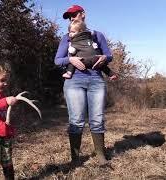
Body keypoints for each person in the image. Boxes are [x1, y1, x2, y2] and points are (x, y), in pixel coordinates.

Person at [55, 5, 112, 166]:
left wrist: (104, 58)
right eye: (69, 17)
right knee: (76, 120)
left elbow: (109, 55)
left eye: (74, 14)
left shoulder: (96, 35)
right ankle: (75, 158)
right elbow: (58, 60)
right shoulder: (67, 37)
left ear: (83, 14)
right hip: (74, 82)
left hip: (96, 80)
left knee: (97, 119)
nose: (72, 18)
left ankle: (101, 156)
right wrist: (70, 60)